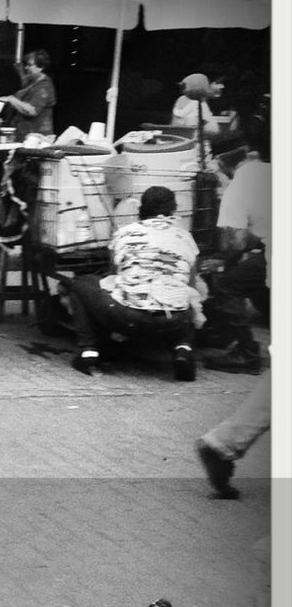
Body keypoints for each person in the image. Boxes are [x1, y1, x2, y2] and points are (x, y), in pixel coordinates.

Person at [67, 185, 202, 381]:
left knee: (81, 285)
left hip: (127, 317)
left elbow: (113, 275)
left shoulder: (125, 233)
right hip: (176, 321)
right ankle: (183, 350)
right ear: (173, 209)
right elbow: (191, 283)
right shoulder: (186, 237)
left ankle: (88, 351)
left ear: (141, 207)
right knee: (186, 295)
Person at [198, 116, 270, 376]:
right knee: (250, 278)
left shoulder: (237, 186)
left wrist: (222, 259)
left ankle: (247, 354)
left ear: (220, 163)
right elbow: (260, 231)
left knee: (227, 285)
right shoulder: (268, 169)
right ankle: (222, 335)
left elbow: (237, 242)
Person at [0, 50, 56, 139]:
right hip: (22, 135)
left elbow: (32, 110)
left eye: (29, 65)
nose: (26, 68)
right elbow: (25, 90)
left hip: (35, 138)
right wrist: (21, 72)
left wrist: (11, 99)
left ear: (40, 67)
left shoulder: (44, 87)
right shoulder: (32, 82)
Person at [171, 72, 224, 138]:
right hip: (194, 144)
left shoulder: (181, 99)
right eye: (217, 83)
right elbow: (214, 130)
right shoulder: (198, 103)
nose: (222, 86)